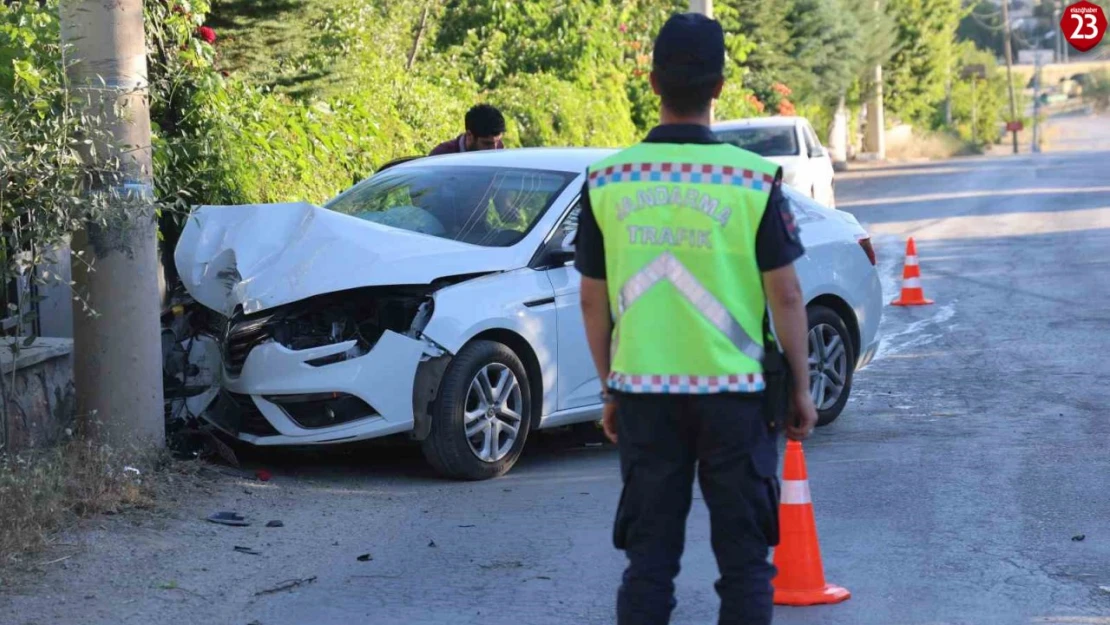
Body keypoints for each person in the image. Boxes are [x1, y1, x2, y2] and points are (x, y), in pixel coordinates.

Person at [573, 12, 819, 625]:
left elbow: (591, 300)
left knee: (649, 561)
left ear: (652, 83)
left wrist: (610, 387)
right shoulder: (752, 179)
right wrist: (803, 388)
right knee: (744, 565)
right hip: (738, 399)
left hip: (644, 397)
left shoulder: (607, 180)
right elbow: (786, 296)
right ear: (719, 86)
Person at [429, 103, 506, 155]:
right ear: (469, 135)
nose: (494, 150)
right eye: (487, 144)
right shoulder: (442, 156)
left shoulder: (499, 150)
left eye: (497, 141)